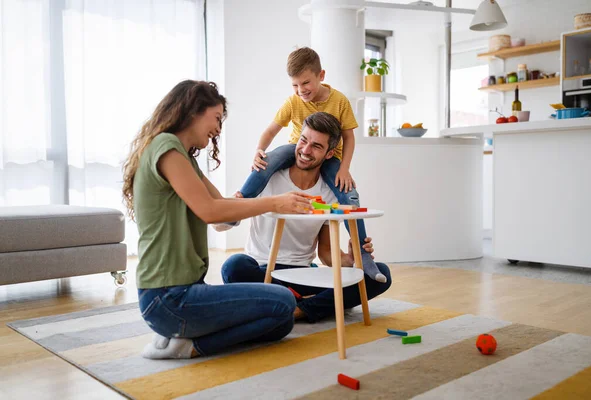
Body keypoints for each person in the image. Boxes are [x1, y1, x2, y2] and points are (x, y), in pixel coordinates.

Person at [121, 80, 314, 359]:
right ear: (193, 111)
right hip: (168, 298)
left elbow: (221, 210)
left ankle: (181, 335)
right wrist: (275, 201)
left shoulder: (184, 157)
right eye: (216, 117)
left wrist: (259, 198)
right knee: (283, 300)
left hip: (182, 293)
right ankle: (189, 346)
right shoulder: (166, 147)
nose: (218, 129)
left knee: (282, 320)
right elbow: (210, 211)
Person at [232, 47, 386, 283]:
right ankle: (237, 204)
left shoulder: (339, 101)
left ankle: (363, 255)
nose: (301, 90)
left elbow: (349, 137)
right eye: (295, 85)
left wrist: (344, 168)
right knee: (269, 160)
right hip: (291, 148)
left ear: (321, 76)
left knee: (349, 194)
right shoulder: (293, 102)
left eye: (305, 83)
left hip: (332, 158)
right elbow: (271, 130)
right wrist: (258, 152)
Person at [222, 112, 392, 323]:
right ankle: (306, 303)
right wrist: (232, 204)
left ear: (329, 154)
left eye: (316, 146)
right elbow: (220, 227)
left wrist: (350, 261)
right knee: (234, 266)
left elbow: (326, 253)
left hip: (301, 273)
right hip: (261, 271)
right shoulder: (266, 176)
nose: (305, 150)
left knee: (380, 274)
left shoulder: (329, 192)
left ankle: (297, 309)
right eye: (303, 140)